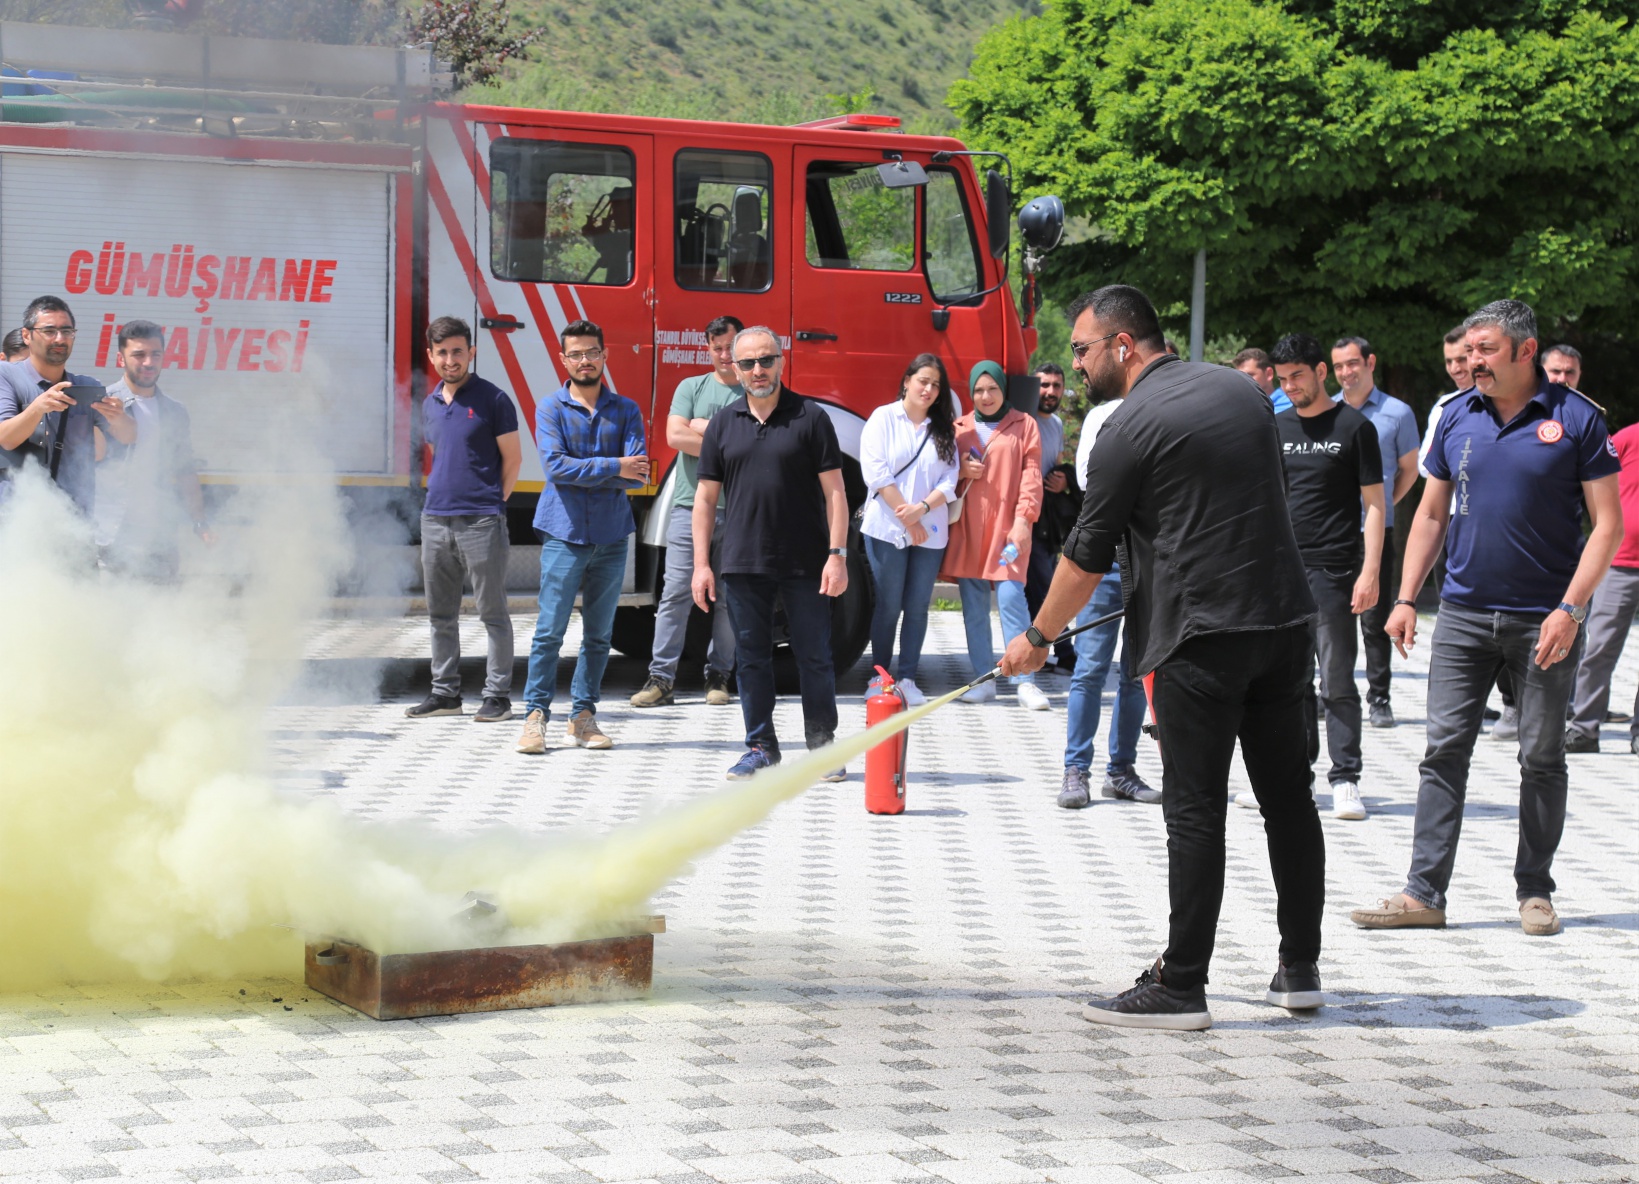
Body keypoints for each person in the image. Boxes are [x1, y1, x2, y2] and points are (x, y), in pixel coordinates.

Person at [1001, 285, 1319, 1029]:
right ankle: (1298, 968)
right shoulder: (1242, 393)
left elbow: (1082, 559)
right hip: (1281, 623)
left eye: (1081, 349)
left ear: (1122, 345)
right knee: (1288, 801)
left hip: (1198, 639)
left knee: (1195, 811)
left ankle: (1181, 986)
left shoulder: (1125, 429)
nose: (1074, 365)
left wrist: (1037, 637)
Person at [1352, 299, 1621, 939]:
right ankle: (1424, 893)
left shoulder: (1577, 420)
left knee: (1542, 757)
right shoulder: (1456, 417)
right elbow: (1431, 516)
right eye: (1468, 351)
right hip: (1466, 619)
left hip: (1545, 622)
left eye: (1486, 350)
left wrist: (1571, 610)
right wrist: (1406, 596)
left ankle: (1535, 892)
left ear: (1526, 352)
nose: (1472, 362)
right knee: (1442, 751)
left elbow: (1607, 526)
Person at [1236, 334, 1383, 822]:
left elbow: (1376, 506)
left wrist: (1371, 571)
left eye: (1297, 375)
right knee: (1284, 682)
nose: (1290, 385)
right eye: (1282, 378)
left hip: (1335, 570)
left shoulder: (1355, 427)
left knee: (1337, 678)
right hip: (1279, 573)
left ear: (1321, 372)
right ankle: (1292, 773)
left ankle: (1346, 778)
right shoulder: (1274, 426)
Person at [693, 326, 850, 781]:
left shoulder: (811, 417)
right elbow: (704, 500)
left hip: (805, 561)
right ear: (733, 367)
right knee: (751, 657)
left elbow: (836, 493)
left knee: (814, 657)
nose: (758, 370)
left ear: (781, 362)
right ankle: (761, 747)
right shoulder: (723, 424)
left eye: (766, 360)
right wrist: (702, 564)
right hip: (742, 562)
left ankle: (822, 748)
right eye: (748, 363)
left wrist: (836, 554)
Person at [515, 319, 648, 755]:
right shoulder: (550, 408)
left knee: (599, 635)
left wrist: (593, 471)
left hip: (612, 537)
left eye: (592, 351)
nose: (585, 360)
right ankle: (535, 717)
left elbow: (639, 474)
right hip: (564, 533)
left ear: (605, 355)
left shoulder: (626, 409)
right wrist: (613, 467)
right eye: (576, 354)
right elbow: (555, 468)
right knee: (550, 631)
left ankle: (583, 717)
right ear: (563, 359)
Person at [406, 316, 521, 723]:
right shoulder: (431, 403)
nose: (450, 359)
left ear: (471, 352)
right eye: (442, 352)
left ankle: (497, 697)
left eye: (458, 351)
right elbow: (442, 454)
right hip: (435, 519)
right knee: (440, 614)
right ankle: (445, 694)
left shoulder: (494, 399)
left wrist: (493, 503)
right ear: (431, 356)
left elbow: (513, 459)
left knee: (492, 612)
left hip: (481, 521)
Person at [631, 314, 742, 709]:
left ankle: (719, 677)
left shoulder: (757, 390)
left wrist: (704, 427)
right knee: (676, 592)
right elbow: (674, 435)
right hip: (687, 506)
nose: (725, 355)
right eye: (717, 348)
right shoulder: (690, 386)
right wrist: (727, 436)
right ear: (708, 349)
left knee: (730, 597)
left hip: (740, 511)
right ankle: (661, 679)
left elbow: (757, 442)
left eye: (731, 347)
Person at [1057, 376, 1155, 809]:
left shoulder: (1170, 415)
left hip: (1151, 561)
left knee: (1136, 672)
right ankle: (1075, 769)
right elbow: (1090, 481)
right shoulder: (1102, 415)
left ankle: (1122, 771)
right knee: (1091, 668)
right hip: (1108, 558)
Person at [941, 360, 1046, 710]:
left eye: (993, 389)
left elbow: (1031, 477)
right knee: (973, 607)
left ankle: (1025, 682)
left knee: (1012, 600)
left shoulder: (1024, 425)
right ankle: (984, 680)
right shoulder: (959, 429)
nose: (986, 396)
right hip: (969, 531)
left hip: (1008, 531)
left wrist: (1024, 521)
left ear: (1004, 390)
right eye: (979, 390)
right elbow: (941, 478)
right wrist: (960, 471)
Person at [858, 353, 959, 707]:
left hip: (930, 528)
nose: (929, 389)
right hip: (887, 528)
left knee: (917, 606)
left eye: (935, 384)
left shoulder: (942, 426)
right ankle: (881, 678)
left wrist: (923, 510)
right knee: (888, 605)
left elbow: (950, 479)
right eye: (923, 381)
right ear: (907, 381)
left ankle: (908, 678)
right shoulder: (883, 419)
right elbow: (876, 473)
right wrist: (908, 518)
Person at [1330, 336, 1421, 730]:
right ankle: (1329, 692)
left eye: (1352, 364)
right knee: (1330, 618)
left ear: (1370, 362)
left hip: (1374, 532)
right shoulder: (1327, 411)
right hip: (1330, 532)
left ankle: (1379, 698)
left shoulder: (1396, 413)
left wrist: (1381, 509)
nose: (1346, 373)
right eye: (1338, 367)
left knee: (1375, 618)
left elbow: (1410, 469)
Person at [95, 320, 213, 582]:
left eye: (155, 354)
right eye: (138, 354)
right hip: (110, 535)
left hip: (159, 537)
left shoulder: (175, 411)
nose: (148, 362)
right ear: (120, 358)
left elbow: (185, 470)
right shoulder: (102, 404)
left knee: (160, 614)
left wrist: (199, 521)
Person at [0, 296, 134, 513]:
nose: (59, 339)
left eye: (67, 331)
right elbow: (5, 438)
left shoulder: (86, 385)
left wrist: (120, 417)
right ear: (27, 335)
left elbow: (128, 436)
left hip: (74, 520)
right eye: (49, 331)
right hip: (19, 518)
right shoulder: (5, 375)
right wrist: (37, 408)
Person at [1565, 407, 1638, 755]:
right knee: (1600, 647)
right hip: (1620, 560)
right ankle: (1584, 727)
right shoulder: (1625, 438)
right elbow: (1594, 484)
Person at [1023, 362, 1080, 672]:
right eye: (1044, 385)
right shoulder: (1023, 420)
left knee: (1040, 590)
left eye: (1057, 386)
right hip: (1024, 522)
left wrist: (1063, 482)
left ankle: (1039, 654)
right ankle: (1067, 652)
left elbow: (1056, 468)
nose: (1050, 392)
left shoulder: (1056, 425)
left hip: (1047, 525)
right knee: (1047, 589)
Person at [1232, 346, 1291, 413]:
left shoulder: (1291, 403)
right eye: (1240, 377)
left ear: (1269, 374)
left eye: (1249, 375)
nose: (1243, 381)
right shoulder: (1239, 410)